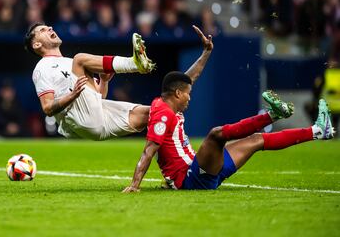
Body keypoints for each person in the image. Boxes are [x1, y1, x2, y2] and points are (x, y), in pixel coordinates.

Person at [123, 51, 335, 192]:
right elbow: (149, 150)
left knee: (257, 140)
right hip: (191, 178)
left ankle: (318, 130)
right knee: (216, 134)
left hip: (203, 170)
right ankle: (271, 116)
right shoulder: (163, 114)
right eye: (187, 93)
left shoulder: (169, 101)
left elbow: (189, 78)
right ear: (177, 93)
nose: (190, 96)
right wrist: (135, 184)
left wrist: (206, 52)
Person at [24, 22, 158, 140]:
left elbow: (98, 99)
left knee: (153, 113)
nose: (50, 28)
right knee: (80, 59)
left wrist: (104, 82)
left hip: (96, 119)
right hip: (78, 118)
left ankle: (177, 146)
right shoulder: (42, 68)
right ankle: (133, 64)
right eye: (42, 30)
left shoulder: (70, 63)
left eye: (48, 27)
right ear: (37, 44)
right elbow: (47, 108)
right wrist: (72, 95)